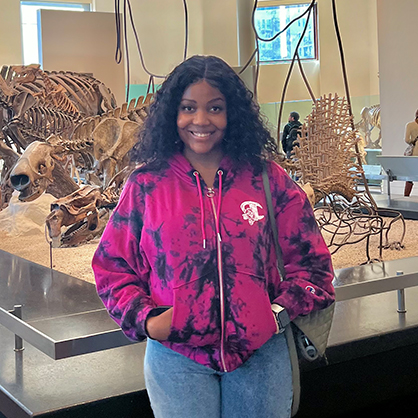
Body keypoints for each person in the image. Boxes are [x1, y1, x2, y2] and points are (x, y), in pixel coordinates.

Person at [92, 55, 335, 418]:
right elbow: (112, 267)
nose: (201, 120)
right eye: (188, 107)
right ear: (173, 113)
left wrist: (275, 315)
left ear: (231, 113)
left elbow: (314, 266)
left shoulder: (268, 179)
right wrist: (147, 320)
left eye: (215, 108)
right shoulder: (146, 185)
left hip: (261, 355)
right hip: (177, 360)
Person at [403, 109, 418, 197]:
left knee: (409, 176)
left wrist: (413, 141)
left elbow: (407, 140)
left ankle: (406, 196)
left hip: (414, 153)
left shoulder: (410, 125)